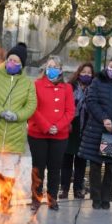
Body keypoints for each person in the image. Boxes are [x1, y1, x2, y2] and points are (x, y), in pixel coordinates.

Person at [0, 42, 37, 214]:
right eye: (10, 59)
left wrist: (17, 115)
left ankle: (5, 201)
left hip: (14, 133)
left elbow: (31, 105)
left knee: (9, 169)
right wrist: (1, 111)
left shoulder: (27, 83)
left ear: (22, 65)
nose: (12, 63)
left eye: (16, 61)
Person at [78, 54, 112, 210]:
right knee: (95, 166)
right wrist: (104, 119)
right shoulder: (97, 81)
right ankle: (95, 198)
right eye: (111, 66)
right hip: (96, 128)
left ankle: (107, 198)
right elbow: (91, 100)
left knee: (111, 167)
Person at [28, 56, 75, 211]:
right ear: (45, 68)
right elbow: (32, 108)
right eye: (49, 66)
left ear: (61, 70)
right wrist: (47, 126)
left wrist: (58, 126)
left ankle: (52, 198)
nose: (52, 69)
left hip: (60, 135)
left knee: (55, 168)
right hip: (38, 134)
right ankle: (36, 198)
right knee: (38, 167)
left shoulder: (67, 88)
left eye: (55, 66)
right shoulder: (36, 85)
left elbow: (70, 111)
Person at [60, 62, 94, 200]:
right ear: (78, 73)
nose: (86, 75)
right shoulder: (70, 87)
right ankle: (64, 189)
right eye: (83, 72)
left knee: (81, 162)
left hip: (86, 129)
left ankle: (78, 189)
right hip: (70, 127)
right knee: (66, 161)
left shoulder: (94, 89)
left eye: (89, 73)